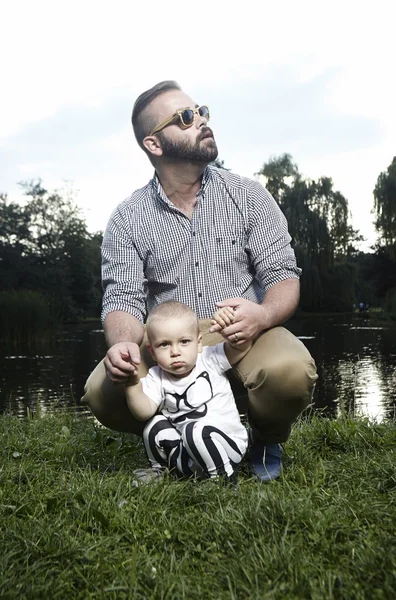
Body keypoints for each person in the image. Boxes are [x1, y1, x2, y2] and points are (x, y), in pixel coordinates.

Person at [82, 80, 318, 482]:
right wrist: (124, 342)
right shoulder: (126, 218)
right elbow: (121, 298)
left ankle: (265, 438)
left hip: (243, 331)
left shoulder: (249, 195)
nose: (202, 121)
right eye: (186, 118)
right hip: (168, 339)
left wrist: (261, 314)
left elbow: (282, 277)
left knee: (290, 373)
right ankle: (176, 436)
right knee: (102, 390)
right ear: (154, 145)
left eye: (201, 111)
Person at [125, 301, 251, 483]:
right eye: (164, 345)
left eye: (184, 342)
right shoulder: (156, 376)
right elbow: (144, 411)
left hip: (227, 446)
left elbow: (241, 348)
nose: (175, 351)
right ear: (152, 352)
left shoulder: (209, 359)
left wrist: (229, 327)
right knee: (154, 424)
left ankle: (223, 477)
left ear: (199, 343)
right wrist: (132, 385)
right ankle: (162, 472)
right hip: (189, 451)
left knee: (195, 430)